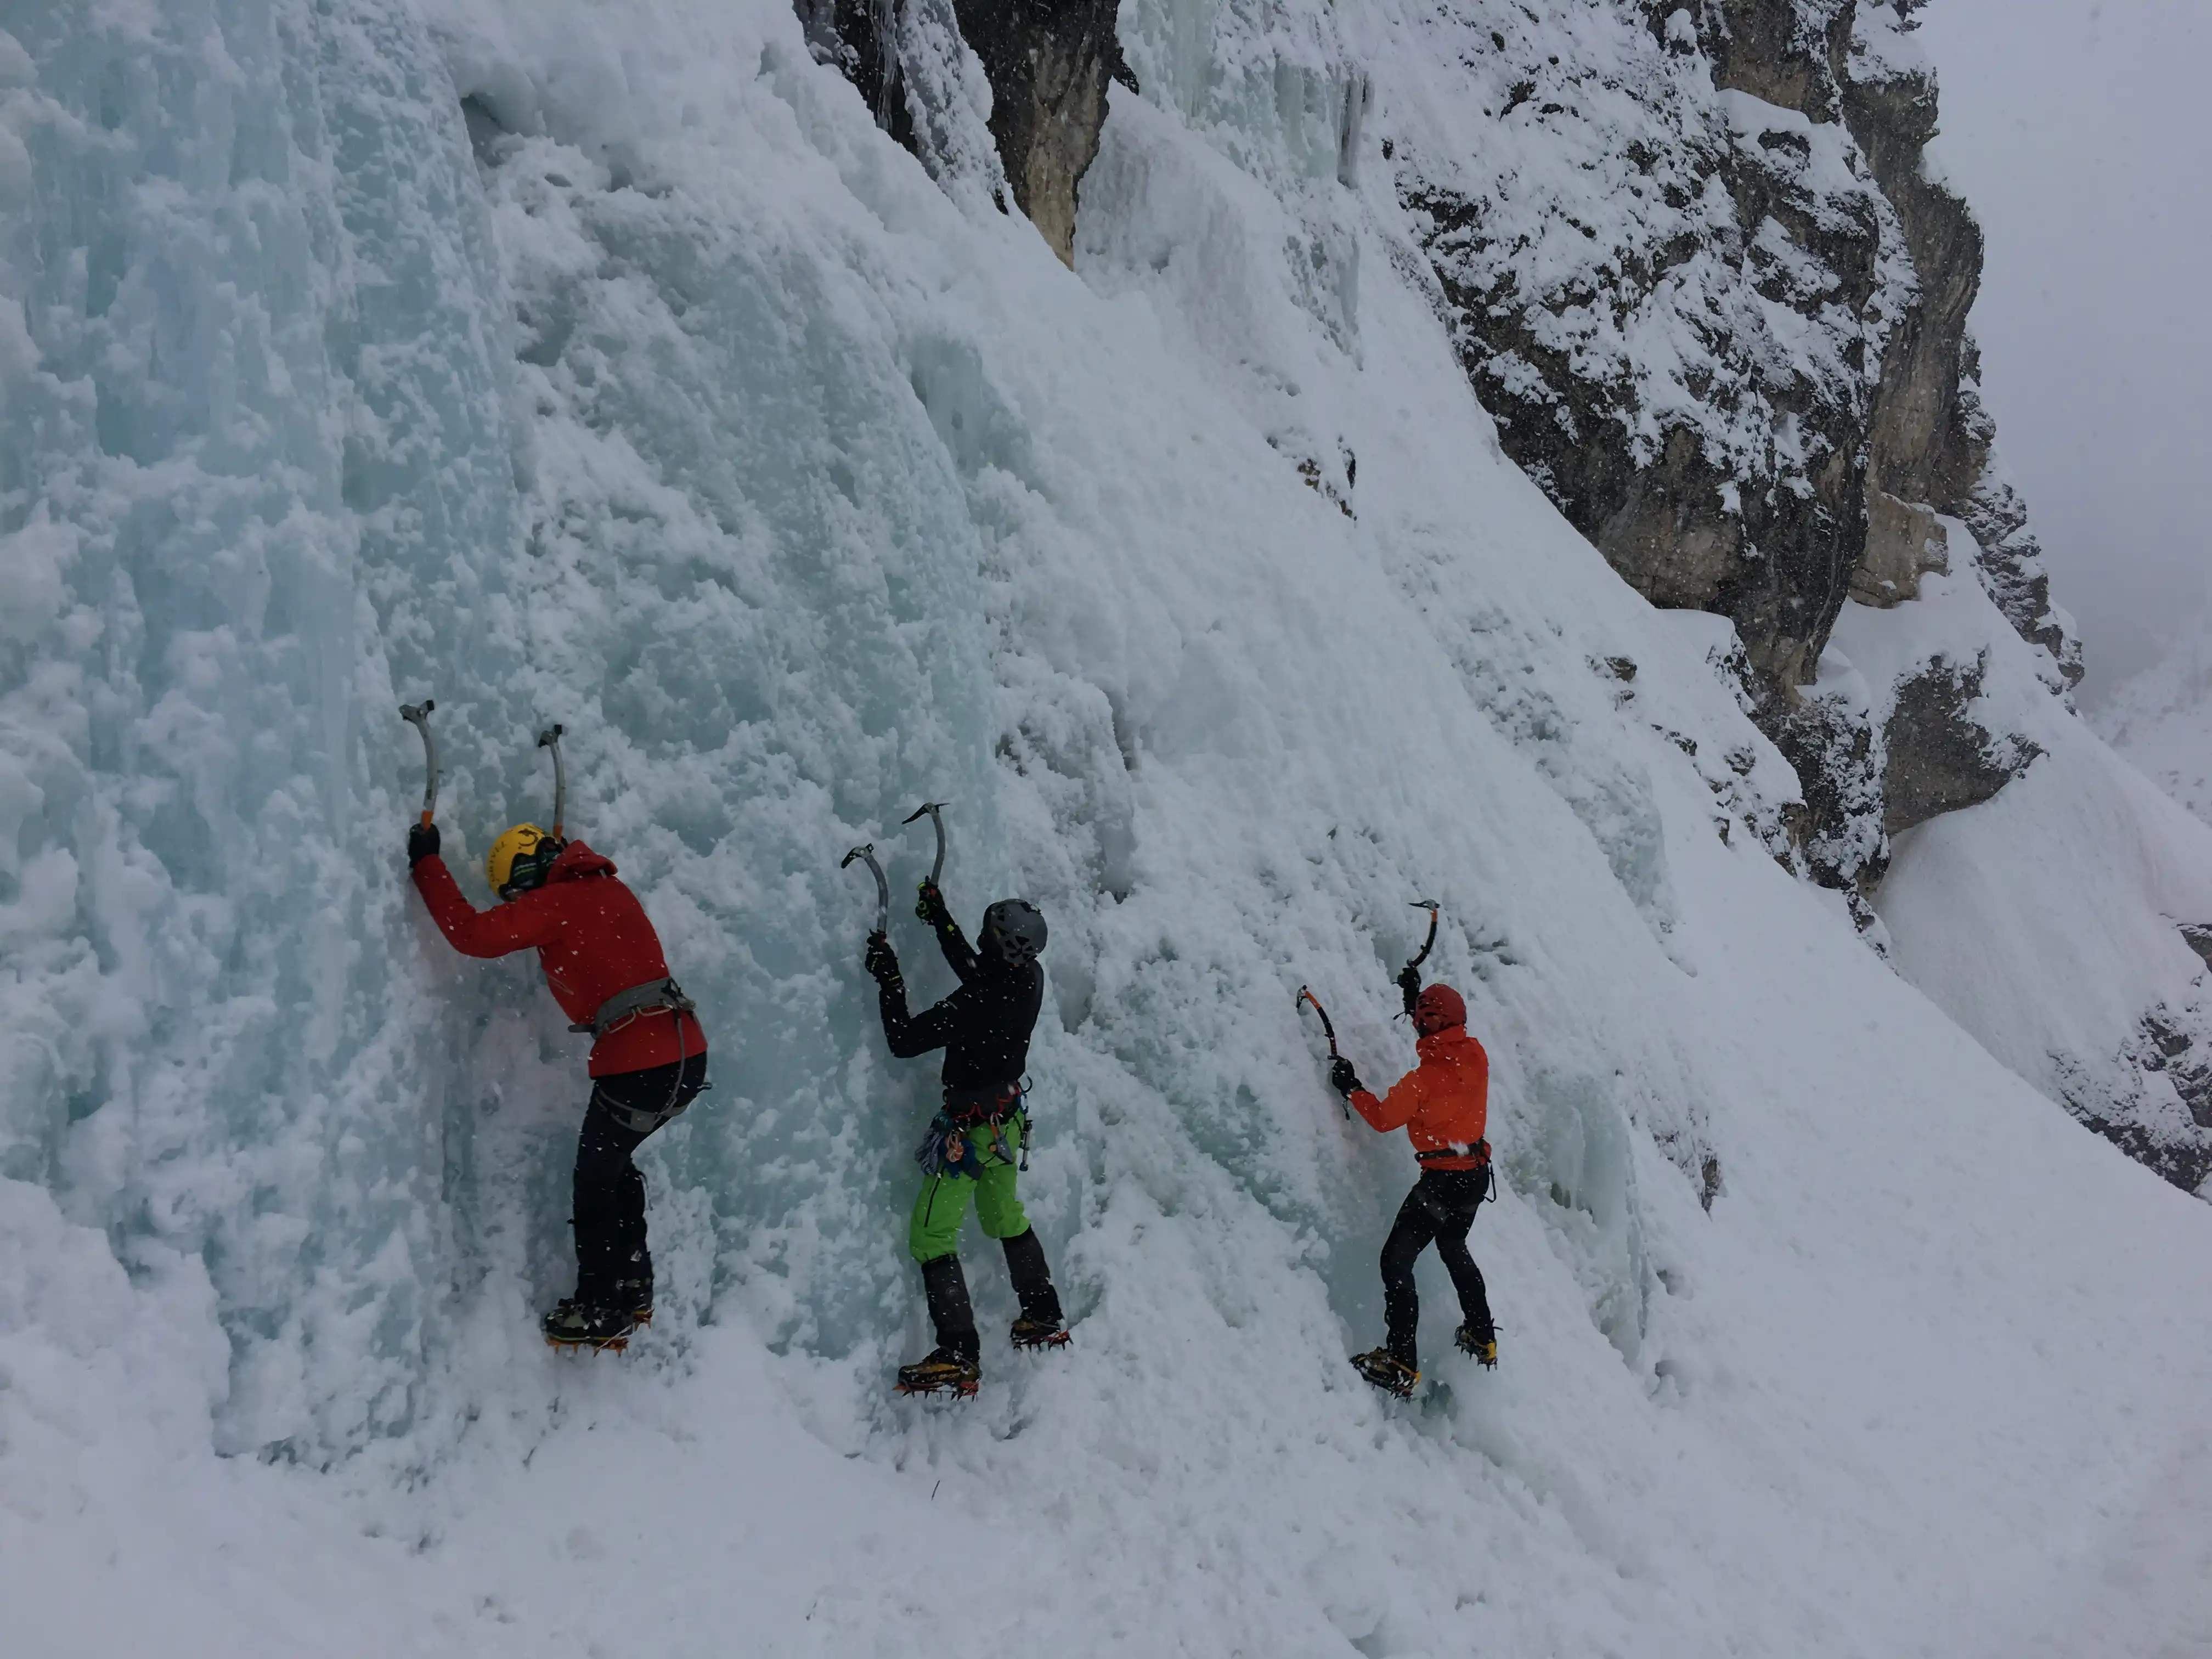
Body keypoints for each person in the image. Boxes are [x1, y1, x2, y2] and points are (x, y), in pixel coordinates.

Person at [407, 819, 707, 1350]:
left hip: (636, 1064)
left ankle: (601, 1306)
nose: (519, 901)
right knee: (612, 1167)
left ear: (527, 877)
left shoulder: (557, 903)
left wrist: (427, 863)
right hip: (684, 1058)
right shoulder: (607, 887)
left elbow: (473, 935)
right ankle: (633, 1286)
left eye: (516, 892)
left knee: (594, 1181)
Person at [865, 881, 1065, 1396]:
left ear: (998, 941)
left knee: (930, 1236)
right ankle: (1042, 1312)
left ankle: (958, 1350)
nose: (978, 936)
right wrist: (940, 919)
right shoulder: (1029, 978)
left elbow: (904, 1040)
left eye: (986, 931)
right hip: (1007, 1122)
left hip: (969, 1135)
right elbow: (979, 968)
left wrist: (890, 980)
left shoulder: (975, 1001)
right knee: (1004, 1218)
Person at [1327, 968, 1496, 1398]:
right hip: (1475, 1177)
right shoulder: (1476, 1055)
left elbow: (1382, 1119)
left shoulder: (1421, 1082)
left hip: (1442, 1184)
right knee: (1454, 1247)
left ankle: (1401, 1360)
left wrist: (1352, 1088)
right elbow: (1442, 1035)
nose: (1421, 1024)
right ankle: (1481, 1334)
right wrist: (1416, 998)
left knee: (1395, 1262)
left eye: (1425, 1019)